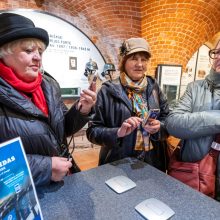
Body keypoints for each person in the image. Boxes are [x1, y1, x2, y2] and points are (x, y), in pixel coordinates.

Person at [0, 13, 96, 187]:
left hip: (66, 179)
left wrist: (82, 110)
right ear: (3, 53)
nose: (37, 57)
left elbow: (62, 129)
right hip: (27, 195)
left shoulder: (48, 86)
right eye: (29, 50)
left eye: (40, 51)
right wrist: (45, 167)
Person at [86, 37, 169, 171]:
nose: (140, 64)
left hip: (153, 161)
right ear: (123, 61)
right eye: (134, 59)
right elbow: (93, 131)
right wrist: (117, 132)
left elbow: (168, 119)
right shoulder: (108, 91)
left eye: (143, 59)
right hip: (118, 163)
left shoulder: (154, 87)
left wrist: (160, 127)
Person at [165, 40, 220, 200]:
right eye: (217, 52)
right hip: (195, 176)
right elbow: (173, 123)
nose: (219, 57)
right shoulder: (195, 88)